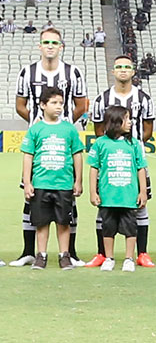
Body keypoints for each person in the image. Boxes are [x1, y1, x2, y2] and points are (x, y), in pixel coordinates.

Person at [12, 28, 87, 267]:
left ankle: (70, 253)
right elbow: (20, 105)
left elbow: (81, 104)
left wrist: (64, 125)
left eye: (55, 42)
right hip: (41, 143)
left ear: (61, 46)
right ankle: (29, 251)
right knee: (32, 196)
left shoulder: (72, 72)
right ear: (40, 46)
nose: (50, 46)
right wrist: (38, 122)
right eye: (46, 42)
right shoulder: (28, 72)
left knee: (68, 201)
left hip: (62, 142)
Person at [85, 55, 155, 268]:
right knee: (104, 207)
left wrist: (130, 146)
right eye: (119, 67)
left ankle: (141, 253)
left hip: (132, 160)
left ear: (133, 71)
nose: (123, 70)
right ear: (113, 72)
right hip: (109, 164)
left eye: (127, 67)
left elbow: (149, 129)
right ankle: (102, 254)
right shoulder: (102, 99)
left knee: (139, 206)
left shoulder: (143, 98)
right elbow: (98, 129)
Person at [21, 87, 84, 270]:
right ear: (42, 105)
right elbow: (28, 156)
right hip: (41, 183)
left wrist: (78, 180)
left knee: (63, 222)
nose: (58, 107)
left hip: (63, 184)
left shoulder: (69, 129)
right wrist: (28, 182)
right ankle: (41, 255)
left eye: (61, 103)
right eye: (54, 103)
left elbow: (77, 155)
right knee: (41, 222)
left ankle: (64, 255)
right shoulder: (36, 129)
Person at [88, 105, 148, 272]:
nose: (130, 122)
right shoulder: (101, 143)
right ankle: (109, 257)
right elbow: (93, 168)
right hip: (108, 196)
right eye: (126, 118)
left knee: (130, 228)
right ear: (115, 121)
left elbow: (140, 167)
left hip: (128, 197)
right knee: (108, 229)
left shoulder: (134, 144)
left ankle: (129, 258)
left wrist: (143, 191)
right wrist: (93, 192)